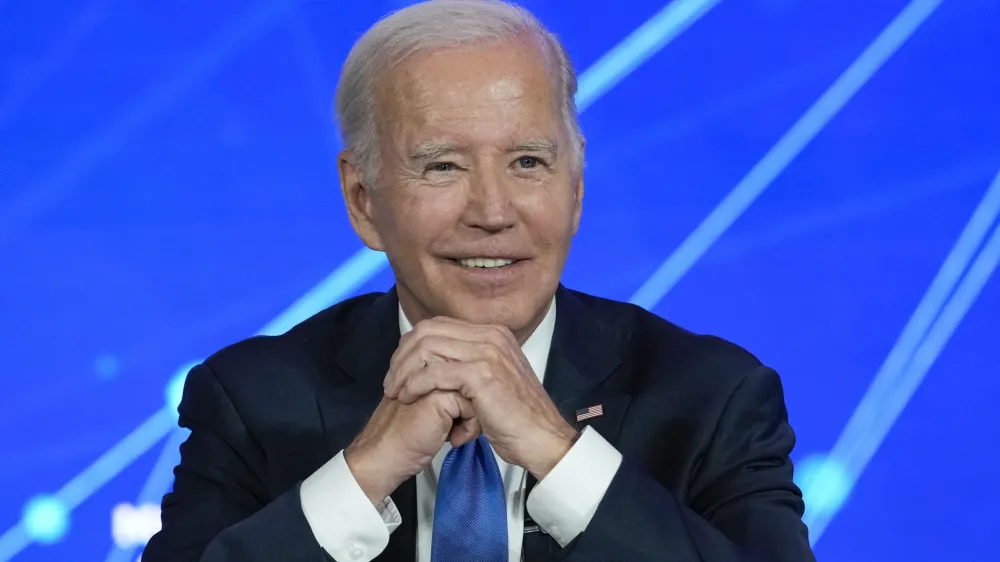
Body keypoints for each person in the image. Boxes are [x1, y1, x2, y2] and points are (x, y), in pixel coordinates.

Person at [143, 1, 815, 560]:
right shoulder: (252, 402)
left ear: (575, 191)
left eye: (527, 162)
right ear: (363, 199)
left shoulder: (712, 396)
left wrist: (558, 454)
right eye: (442, 167)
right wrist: (364, 472)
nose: (493, 213)